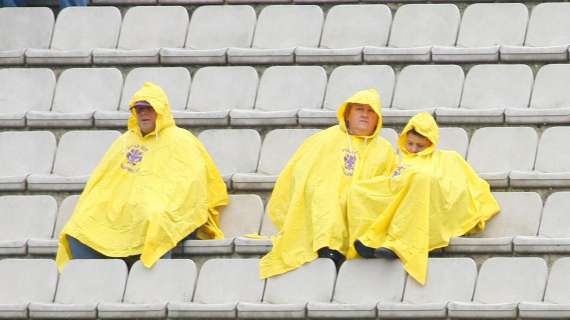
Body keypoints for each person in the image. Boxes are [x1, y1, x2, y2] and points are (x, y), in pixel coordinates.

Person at [55, 82, 228, 270]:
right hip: (125, 209)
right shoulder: (125, 140)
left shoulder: (181, 139)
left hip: (164, 209)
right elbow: (102, 181)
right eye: (138, 109)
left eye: (148, 108)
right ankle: (103, 283)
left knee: (157, 218)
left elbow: (191, 185)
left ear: (160, 110)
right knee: (78, 227)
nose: (143, 113)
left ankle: (152, 286)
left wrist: (159, 202)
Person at [348, 112, 500, 285]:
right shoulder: (401, 161)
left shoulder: (448, 158)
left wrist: (420, 181)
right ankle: (369, 240)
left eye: (419, 145)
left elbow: (458, 185)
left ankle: (397, 245)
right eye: (410, 143)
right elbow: (390, 183)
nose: (412, 149)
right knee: (358, 190)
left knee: (420, 182)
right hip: (400, 198)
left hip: (429, 204)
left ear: (430, 142)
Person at [259, 89, 397, 279]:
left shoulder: (385, 149)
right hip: (327, 200)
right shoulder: (323, 139)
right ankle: (328, 248)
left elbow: (390, 184)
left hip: (362, 204)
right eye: (359, 109)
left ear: (378, 118)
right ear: (348, 114)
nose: (365, 115)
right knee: (325, 194)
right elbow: (301, 171)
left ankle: (363, 245)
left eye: (370, 111)